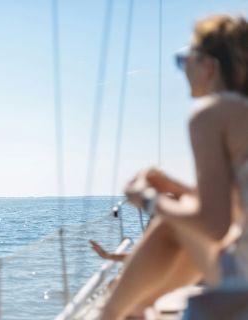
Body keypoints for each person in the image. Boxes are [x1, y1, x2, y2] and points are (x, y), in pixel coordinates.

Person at [100, 15, 248, 319]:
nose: (183, 70)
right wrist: (177, 188)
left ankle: (110, 314)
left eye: (185, 61)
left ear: (209, 65)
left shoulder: (211, 113)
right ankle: (136, 307)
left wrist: (145, 198)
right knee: (183, 213)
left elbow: (215, 224)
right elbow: (235, 206)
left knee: (172, 224)